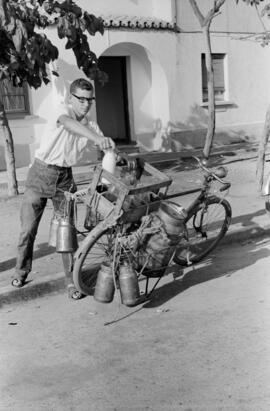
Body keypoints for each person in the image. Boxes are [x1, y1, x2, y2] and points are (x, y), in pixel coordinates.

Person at [12, 78, 115, 300]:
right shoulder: (61, 111)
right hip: (40, 174)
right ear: (71, 98)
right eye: (81, 100)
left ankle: (72, 282)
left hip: (64, 180)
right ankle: (21, 271)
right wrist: (96, 137)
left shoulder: (91, 126)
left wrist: (109, 149)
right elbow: (68, 123)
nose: (86, 104)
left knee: (66, 234)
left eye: (90, 100)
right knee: (28, 228)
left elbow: (104, 149)